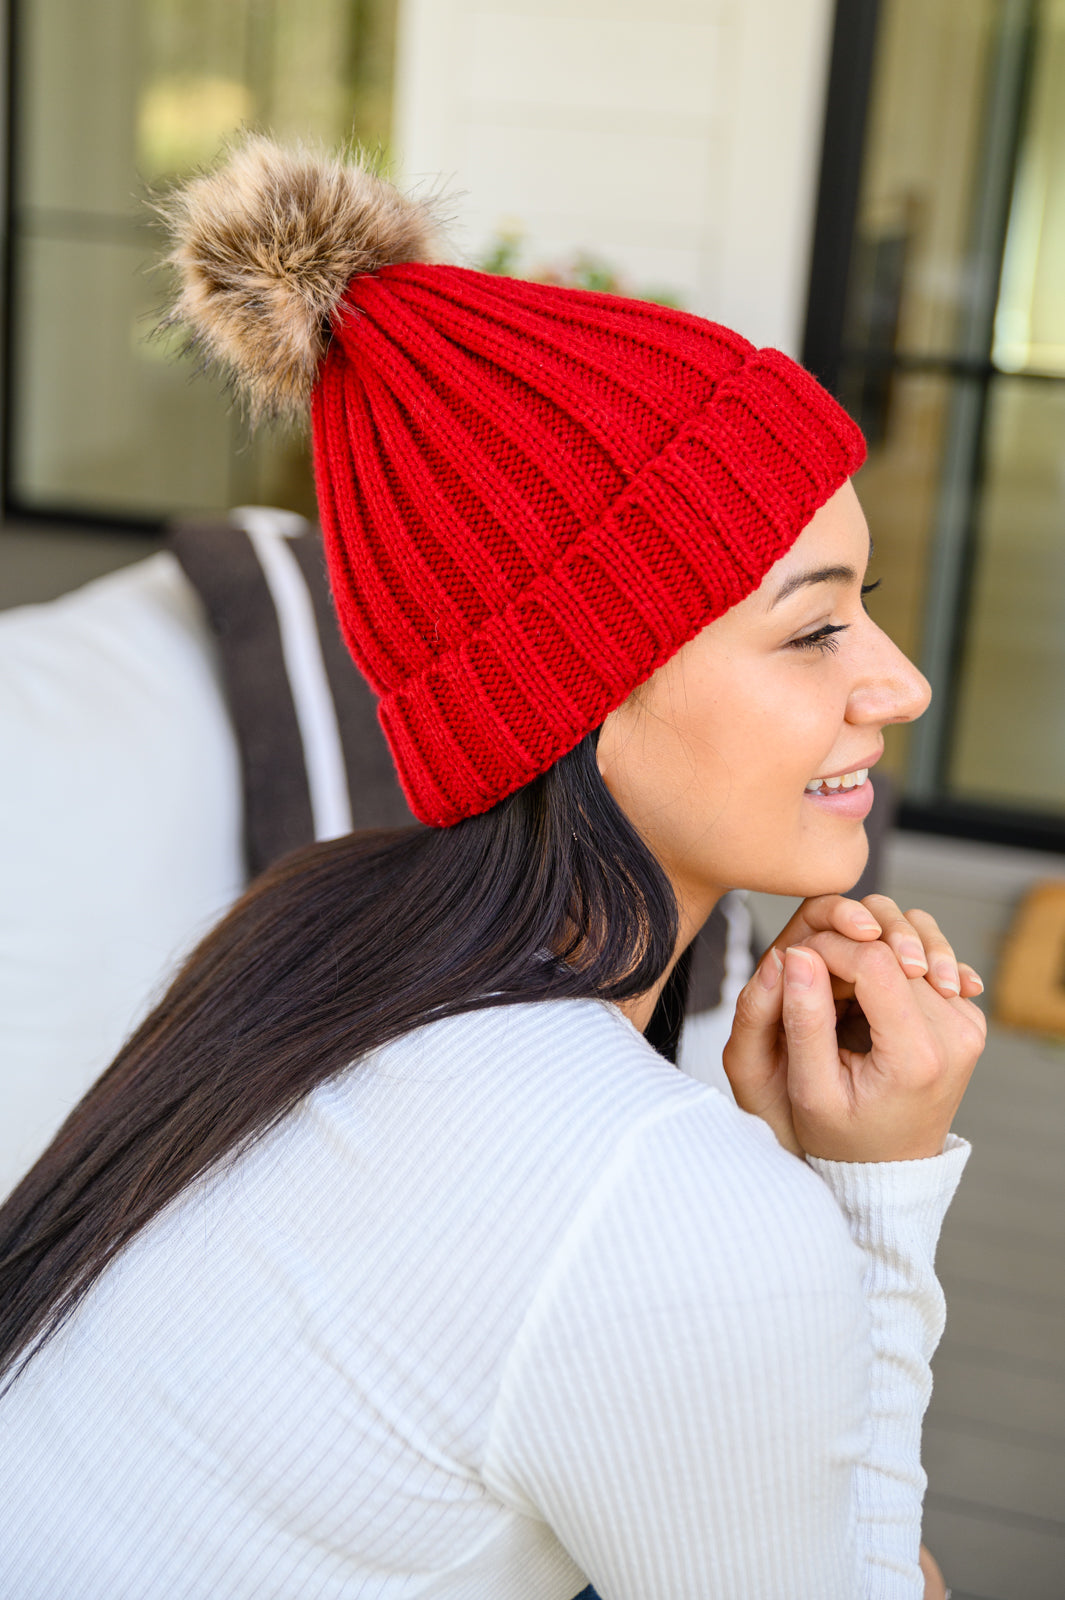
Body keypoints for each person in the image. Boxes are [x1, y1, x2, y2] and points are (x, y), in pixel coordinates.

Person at [0, 137, 984, 1599]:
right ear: (573, 689)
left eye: (869, 605)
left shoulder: (312, 939)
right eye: (811, 628)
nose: (895, 686)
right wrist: (869, 1202)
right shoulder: (649, 1197)